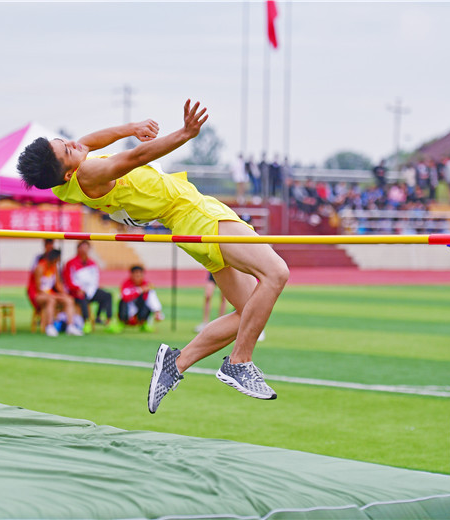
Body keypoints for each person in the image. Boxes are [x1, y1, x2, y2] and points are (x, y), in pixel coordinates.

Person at [17, 99, 289, 413]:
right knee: (276, 273)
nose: (73, 144)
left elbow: (88, 142)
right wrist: (185, 134)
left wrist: (130, 128)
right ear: (67, 172)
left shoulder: (63, 181)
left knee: (248, 311)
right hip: (196, 214)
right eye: (66, 149)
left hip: (184, 222)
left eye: (63, 141)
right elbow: (139, 155)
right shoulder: (90, 171)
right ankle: (240, 361)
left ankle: (177, 363)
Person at [62, 241, 119, 333]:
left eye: (87, 247)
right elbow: (68, 281)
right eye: (83, 247)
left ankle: (105, 319)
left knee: (107, 295)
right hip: (76, 291)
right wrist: (78, 289)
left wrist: (91, 289)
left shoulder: (92, 263)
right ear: (78, 249)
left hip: (90, 290)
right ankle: (86, 321)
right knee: (82, 297)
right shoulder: (70, 263)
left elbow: (95, 279)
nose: (85, 250)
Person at [29, 249, 83, 337]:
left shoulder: (54, 268)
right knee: (51, 300)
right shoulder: (40, 267)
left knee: (68, 300)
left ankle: (71, 326)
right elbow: (38, 288)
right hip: (39, 295)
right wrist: (52, 295)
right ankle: (49, 326)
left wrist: (64, 294)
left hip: (51, 294)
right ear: (55, 258)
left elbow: (58, 284)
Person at [118, 265, 164, 331]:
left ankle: (144, 323)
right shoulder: (126, 283)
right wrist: (140, 290)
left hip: (139, 310)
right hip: (128, 309)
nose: (137, 278)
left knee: (148, 298)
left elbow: (152, 299)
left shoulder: (146, 284)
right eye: (136, 275)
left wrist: (157, 311)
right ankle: (122, 323)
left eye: (139, 275)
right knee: (122, 301)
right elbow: (125, 296)